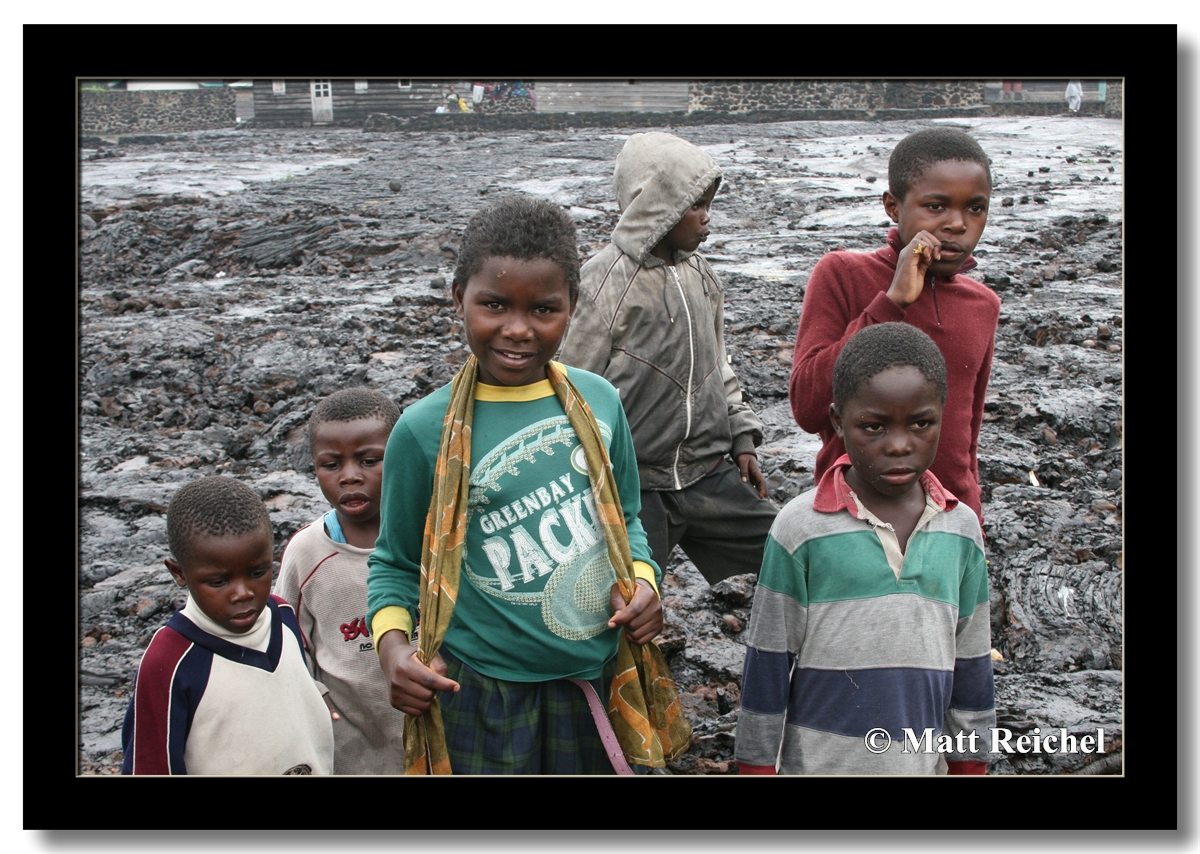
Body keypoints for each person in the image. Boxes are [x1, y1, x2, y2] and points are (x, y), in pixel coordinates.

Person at [366, 196, 688, 775]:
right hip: (482, 689)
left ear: (571, 309)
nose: (517, 329)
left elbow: (629, 519)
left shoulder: (599, 403)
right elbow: (394, 563)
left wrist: (643, 583)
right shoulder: (422, 431)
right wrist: (392, 649)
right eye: (493, 305)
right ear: (458, 297)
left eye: (543, 309)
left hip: (595, 676)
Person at [736, 322, 995, 775]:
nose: (899, 445)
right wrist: (756, 768)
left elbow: (972, 667)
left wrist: (969, 765)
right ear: (838, 421)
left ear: (942, 415)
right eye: (873, 427)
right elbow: (768, 667)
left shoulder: (961, 529)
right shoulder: (801, 529)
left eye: (921, 424)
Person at [557, 131, 778, 585]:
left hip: (707, 472)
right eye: (695, 205)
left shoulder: (702, 277)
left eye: (708, 204)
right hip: (636, 488)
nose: (706, 219)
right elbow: (570, 388)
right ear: (657, 205)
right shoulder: (603, 285)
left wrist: (742, 437)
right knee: (622, 605)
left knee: (790, 556)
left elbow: (721, 365)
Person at [788, 126, 1001, 524]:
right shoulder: (843, 275)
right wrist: (891, 301)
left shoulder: (982, 304)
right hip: (851, 518)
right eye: (936, 206)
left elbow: (965, 438)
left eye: (975, 208)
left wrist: (973, 522)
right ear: (892, 206)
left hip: (949, 519)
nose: (957, 224)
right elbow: (807, 406)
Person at [121, 476, 334, 775]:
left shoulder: (282, 615)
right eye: (218, 581)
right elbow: (149, 765)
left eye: (258, 572)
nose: (243, 593)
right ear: (179, 573)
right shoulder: (168, 663)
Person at [275, 388, 405, 774]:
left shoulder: (428, 538)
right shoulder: (307, 554)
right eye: (331, 464)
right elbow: (288, 644)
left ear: (401, 458)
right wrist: (316, 700)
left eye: (369, 461)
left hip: (442, 730)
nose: (350, 477)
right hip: (353, 743)